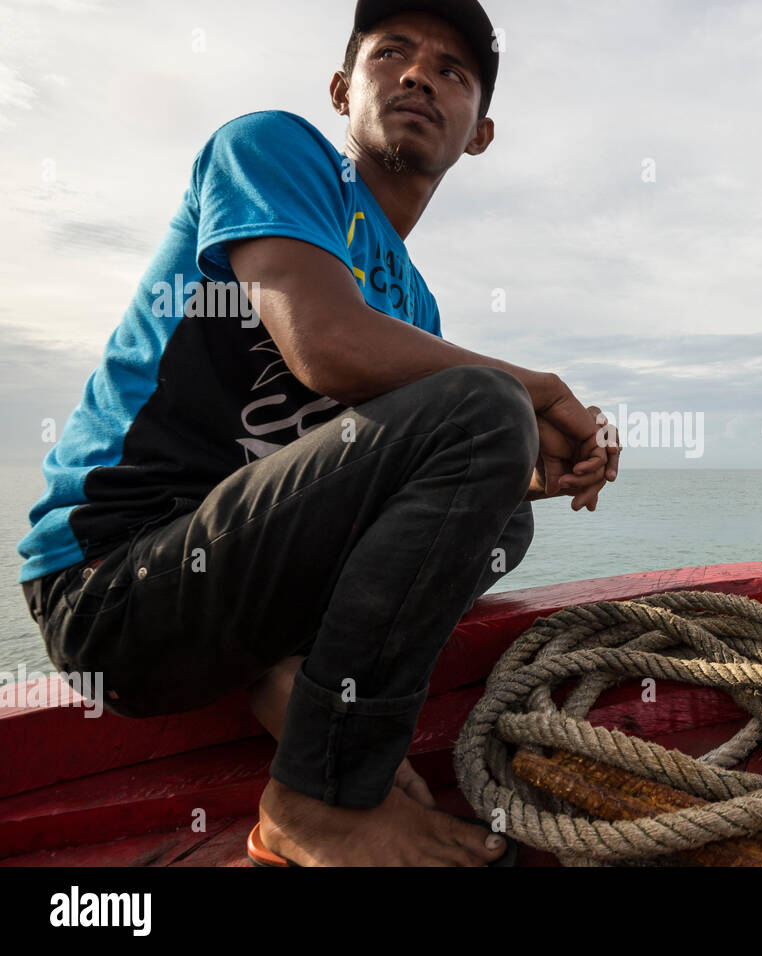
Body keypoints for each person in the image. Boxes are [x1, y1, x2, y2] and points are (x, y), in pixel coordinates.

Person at [17, 0, 619, 866]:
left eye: (452, 70)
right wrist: (531, 393)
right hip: (116, 587)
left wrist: (541, 468)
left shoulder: (412, 301)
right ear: (343, 88)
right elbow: (326, 346)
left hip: (237, 587)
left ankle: (286, 682)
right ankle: (322, 799)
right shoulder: (271, 150)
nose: (419, 74)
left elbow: (393, 472)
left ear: (479, 133)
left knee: (504, 514)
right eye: (393, 53)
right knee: (482, 404)